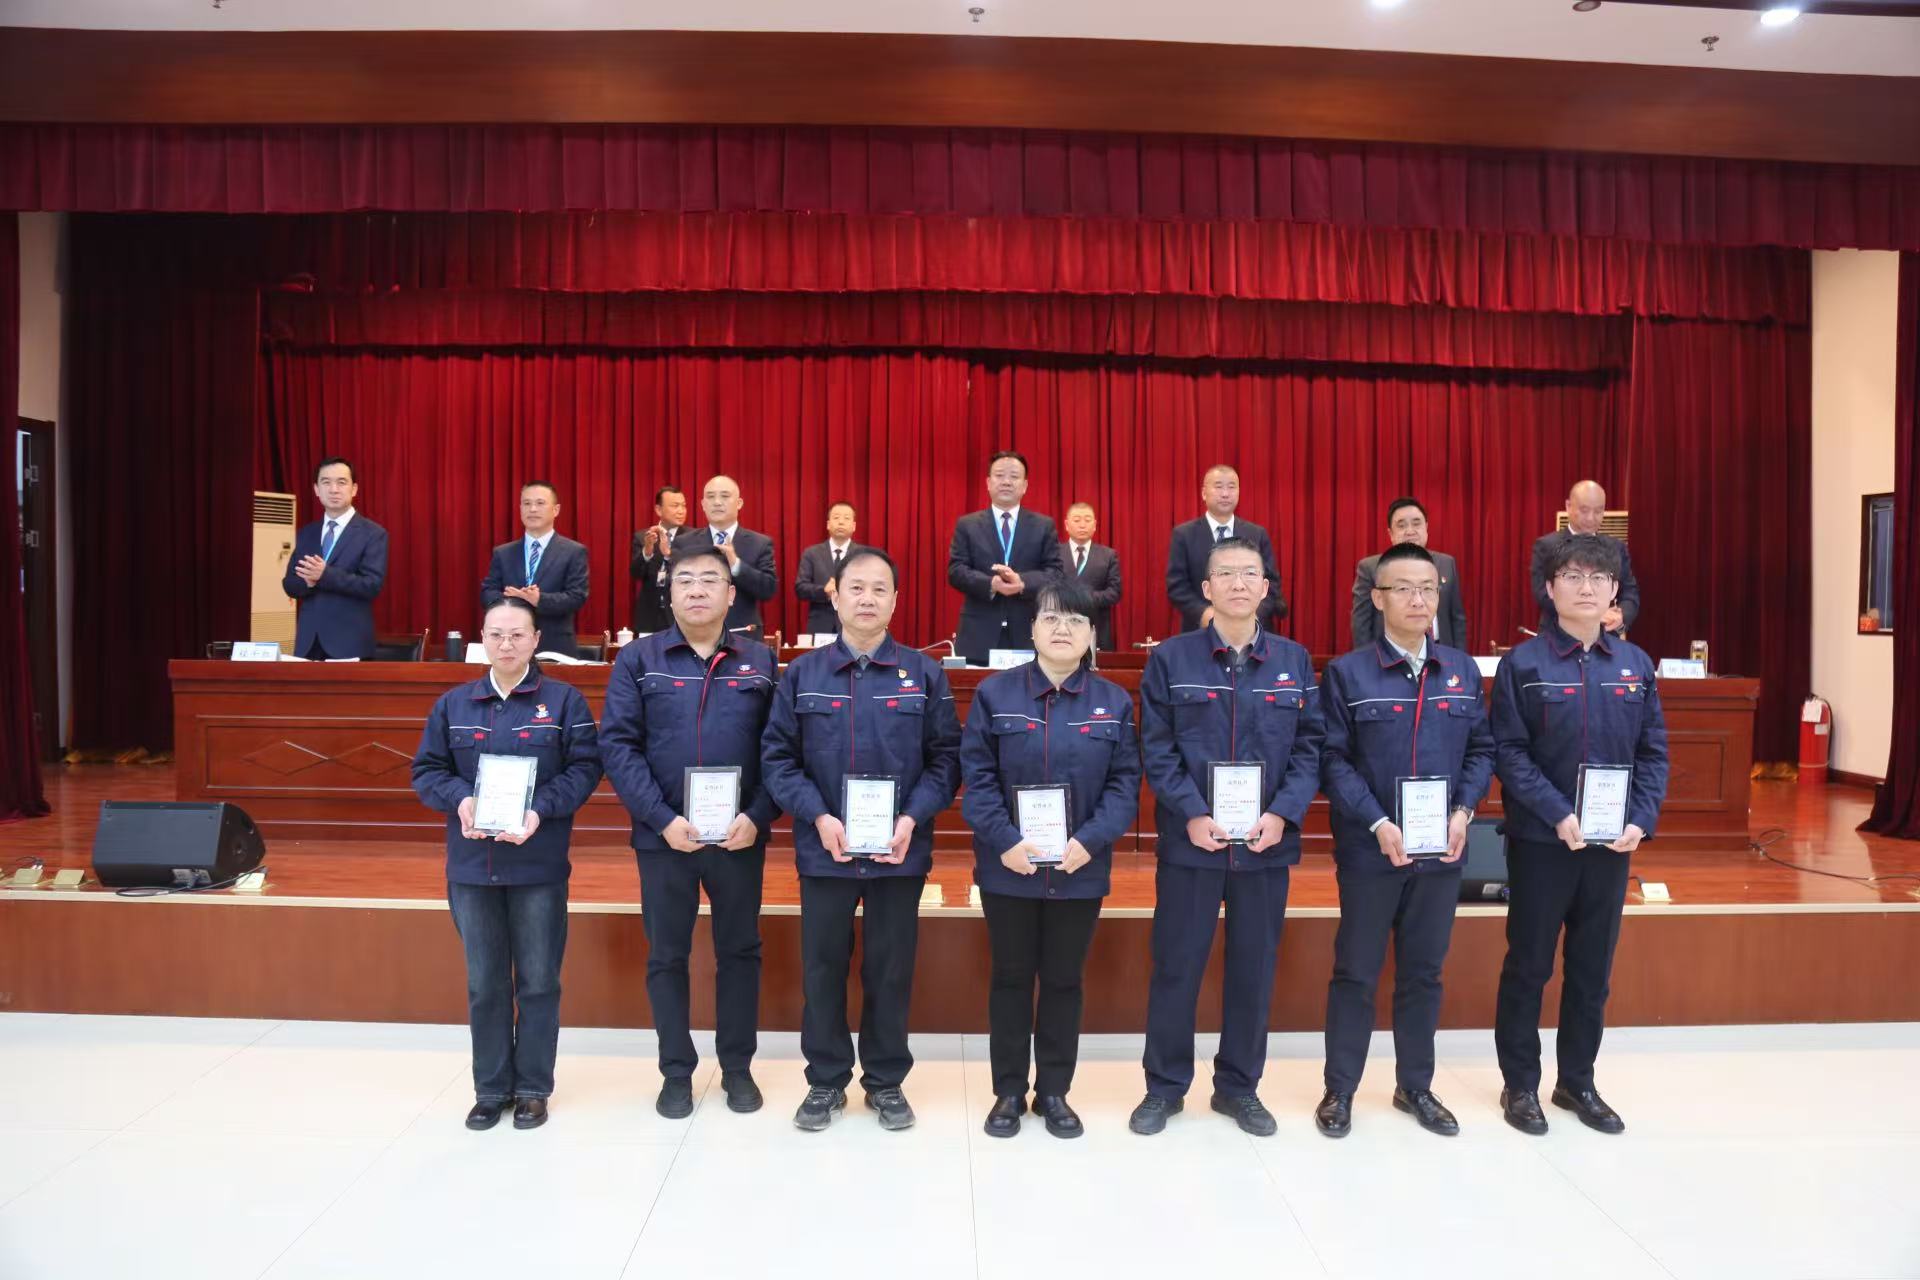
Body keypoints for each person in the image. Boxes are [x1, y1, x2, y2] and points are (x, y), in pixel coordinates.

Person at [761, 548, 962, 1132]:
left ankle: (885, 1080)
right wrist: (819, 817)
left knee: (890, 969)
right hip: (824, 849)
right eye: (856, 587)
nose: (867, 599)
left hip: (900, 851)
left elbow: (946, 760)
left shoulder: (924, 674)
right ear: (835, 595)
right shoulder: (802, 674)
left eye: (880, 589)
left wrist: (912, 818)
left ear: (896, 600)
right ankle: (825, 1080)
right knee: (822, 967)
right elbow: (778, 759)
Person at [1129, 537, 1323, 1138]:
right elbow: (1156, 746)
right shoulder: (1171, 660)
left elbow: (1311, 747)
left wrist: (1283, 813)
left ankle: (1239, 1088)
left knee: (1253, 970)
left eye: (1250, 574)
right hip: (1192, 842)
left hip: (1265, 844)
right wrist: (1190, 811)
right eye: (1226, 574)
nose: (1238, 584)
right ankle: (1164, 1088)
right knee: (1176, 966)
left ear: (1265, 588)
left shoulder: (1294, 660)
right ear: (1206, 589)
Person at [1315, 543, 1495, 1139]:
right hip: (1372, 849)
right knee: (1356, 971)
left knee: (1423, 972)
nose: (1418, 599)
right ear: (1379, 597)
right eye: (1404, 588)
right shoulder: (1348, 674)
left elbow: (1482, 750)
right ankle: (1340, 1089)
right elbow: (1332, 760)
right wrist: (1377, 822)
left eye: (1428, 588)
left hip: (1441, 851)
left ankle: (1415, 1085)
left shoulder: (1462, 671)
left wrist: (1464, 811)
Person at [1492, 533, 1668, 1137]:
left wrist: (1640, 818)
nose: (1586, 587)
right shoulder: (1524, 665)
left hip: (1611, 846)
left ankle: (1577, 1082)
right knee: (1529, 966)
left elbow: (1653, 752)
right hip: (1544, 843)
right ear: (1550, 588)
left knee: (1592, 970)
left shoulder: (1635, 665)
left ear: (1615, 590)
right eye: (1572, 576)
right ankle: (1520, 1084)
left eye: (1598, 577)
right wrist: (1554, 812)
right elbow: (1509, 753)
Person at [600, 544, 779, 1120]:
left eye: (709, 580)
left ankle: (737, 1067)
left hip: (739, 836)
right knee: (667, 956)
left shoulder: (762, 661)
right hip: (665, 837)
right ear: (669, 592)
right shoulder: (638, 659)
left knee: (740, 952)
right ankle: (675, 1071)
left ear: (732, 594)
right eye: (685, 580)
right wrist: (661, 818)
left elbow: (782, 750)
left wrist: (758, 815)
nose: (697, 590)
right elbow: (618, 745)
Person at [410, 597, 603, 1131]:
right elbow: (426, 771)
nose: (507, 644)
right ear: (483, 639)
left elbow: (586, 769)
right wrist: (460, 799)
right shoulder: (453, 704)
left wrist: (540, 809)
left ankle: (534, 1087)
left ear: (537, 640)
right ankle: (491, 1089)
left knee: (538, 981)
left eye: (518, 634)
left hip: (538, 864)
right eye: (496, 634)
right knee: (486, 983)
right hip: (473, 866)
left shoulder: (564, 702)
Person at [960, 577, 1141, 1139]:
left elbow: (1125, 785)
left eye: (1076, 620)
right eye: (1051, 618)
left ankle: (1055, 1091)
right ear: (1033, 629)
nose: (1063, 629)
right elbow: (977, 779)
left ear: (1092, 634)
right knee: (1010, 978)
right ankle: (1009, 1091)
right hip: (1008, 867)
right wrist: (1004, 841)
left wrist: (1090, 841)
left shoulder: (1114, 702)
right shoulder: (995, 695)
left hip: (1079, 867)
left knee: (1064, 980)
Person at [947, 451, 1065, 665]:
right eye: (1000, 475)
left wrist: (1023, 583)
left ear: (1025, 485)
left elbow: (1056, 573)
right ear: (988, 483)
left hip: (1028, 633)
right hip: (978, 635)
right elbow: (956, 571)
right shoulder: (967, 524)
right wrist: (990, 584)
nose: (1006, 482)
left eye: (1014, 476)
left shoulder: (1043, 525)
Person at [281, 456, 388, 660]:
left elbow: (371, 585)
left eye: (341, 482)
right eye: (326, 482)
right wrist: (308, 582)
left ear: (354, 489)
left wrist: (325, 575)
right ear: (316, 490)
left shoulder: (373, 534)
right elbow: (289, 584)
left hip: (349, 644)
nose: (334, 489)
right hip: (308, 643)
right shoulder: (307, 533)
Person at [1164, 464, 1286, 632]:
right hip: (1202, 630)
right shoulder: (1184, 535)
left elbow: (1272, 583)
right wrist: (1203, 613)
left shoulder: (1257, 534)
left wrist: (1253, 614)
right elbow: (1177, 586)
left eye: (1231, 487)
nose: (1225, 493)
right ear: (1204, 493)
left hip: (1251, 629)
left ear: (1239, 492)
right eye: (1218, 486)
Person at [481, 481, 591, 658]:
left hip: (555, 646)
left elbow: (577, 596)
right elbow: (487, 592)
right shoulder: (503, 553)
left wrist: (539, 599)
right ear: (520, 509)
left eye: (540, 503)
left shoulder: (573, 551)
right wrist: (513, 601)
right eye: (526, 503)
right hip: (508, 647)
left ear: (556, 510)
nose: (532, 509)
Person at [1350, 497, 1469, 651]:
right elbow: (1361, 623)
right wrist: (1366, 660)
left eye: (1416, 523)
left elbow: (1457, 618)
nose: (1410, 531)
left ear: (1426, 527)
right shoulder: (1371, 568)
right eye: (1401, 525)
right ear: (1390, 533)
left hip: (1440, 651)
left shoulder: (1446, 563)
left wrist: (1459, 656)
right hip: (1390, 654)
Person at [672, 475, 778, 640]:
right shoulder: (684, 543)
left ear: (739, 503)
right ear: (703, 504)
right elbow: (674, 588)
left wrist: (736, 564)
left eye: (725, 496)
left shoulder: (760, 543)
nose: (717, 502)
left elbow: (768, 590)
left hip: (743, 634)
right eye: (711, 497)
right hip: (693, 635)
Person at [1530, 480, 1641, 634]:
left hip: (1604, 635)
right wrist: (1592, 614)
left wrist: (1621, 615)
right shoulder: (1547, 546)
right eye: (1584, 510)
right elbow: (1542, 593)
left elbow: (1629, 592)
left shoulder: (1616, 548)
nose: (1591, 518)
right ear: (1568, 506)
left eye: (1598, 511)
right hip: (1557, 634)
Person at [1060, 502, 1123, 651]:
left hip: (1097, 628)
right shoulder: (1055, 553)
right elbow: (1046, 587)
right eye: (1077, 520)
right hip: (1062, 626)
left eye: (1087, 520)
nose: (1082, 525)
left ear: (1094, 525)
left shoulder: (1108, 555)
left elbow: (1115, 592)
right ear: (1067, 525)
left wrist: (1085, 598)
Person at [793, 501, 861, 638]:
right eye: (836, 518)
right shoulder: (812, 553)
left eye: (846, 518)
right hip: (820, 625)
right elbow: (800, 588)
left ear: (854, 526)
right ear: (828, 524)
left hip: (854, 625)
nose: (841, 522)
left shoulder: (863, 555)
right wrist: (824, 591)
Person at [629, 484, 689, 635]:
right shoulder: (643, 536)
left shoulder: (693, 537)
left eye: (683, 506)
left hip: (681, 614)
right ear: (658, 510)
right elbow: (636, 574)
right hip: (650, 615)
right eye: (675, 506)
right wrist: (647, 552)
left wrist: (669, 554)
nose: (681, 511)